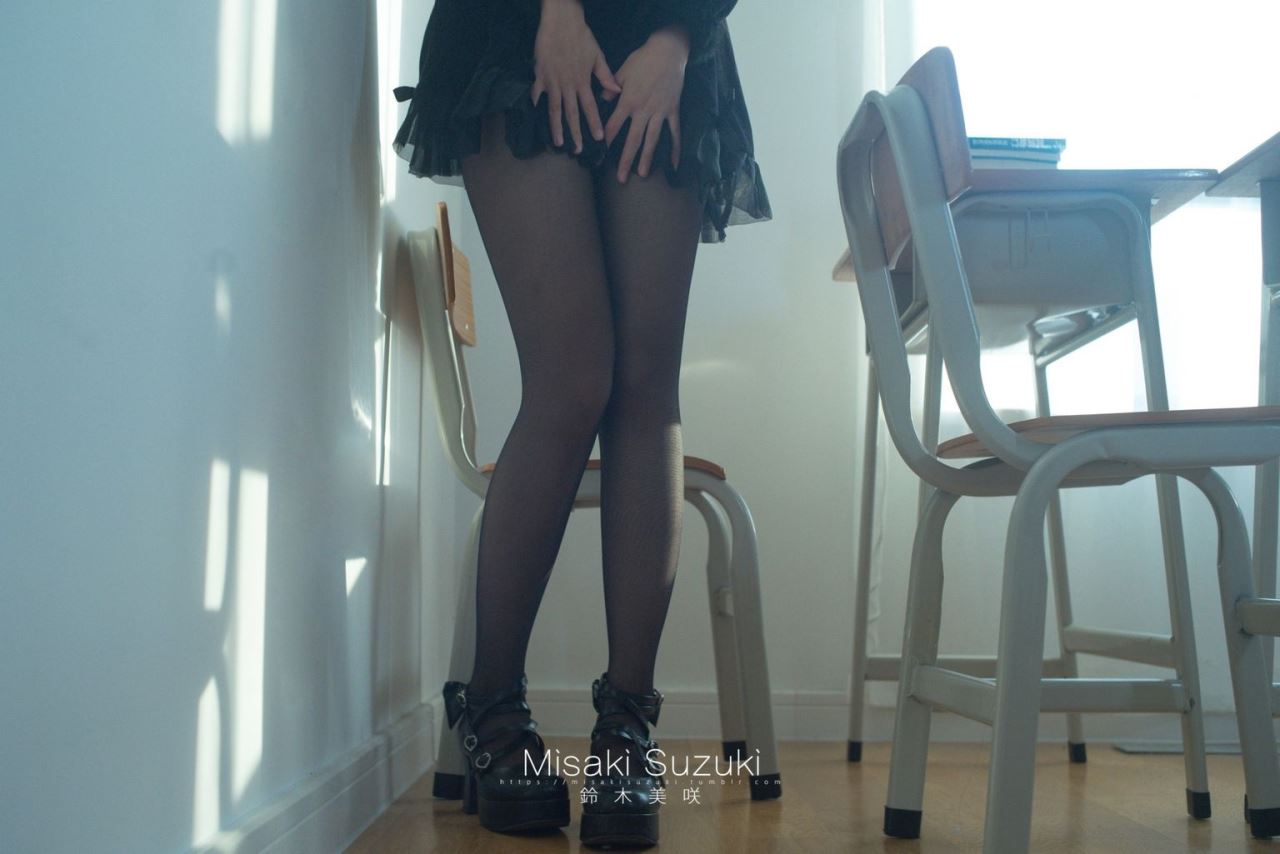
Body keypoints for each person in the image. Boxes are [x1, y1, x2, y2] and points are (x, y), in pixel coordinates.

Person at [391, 0, 770, 846]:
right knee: (571, 379)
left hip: (668, 36)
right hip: (513, 27)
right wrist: (556, 14)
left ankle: (626, 729)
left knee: (644, 388)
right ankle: (492, 708)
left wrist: (677, 41)